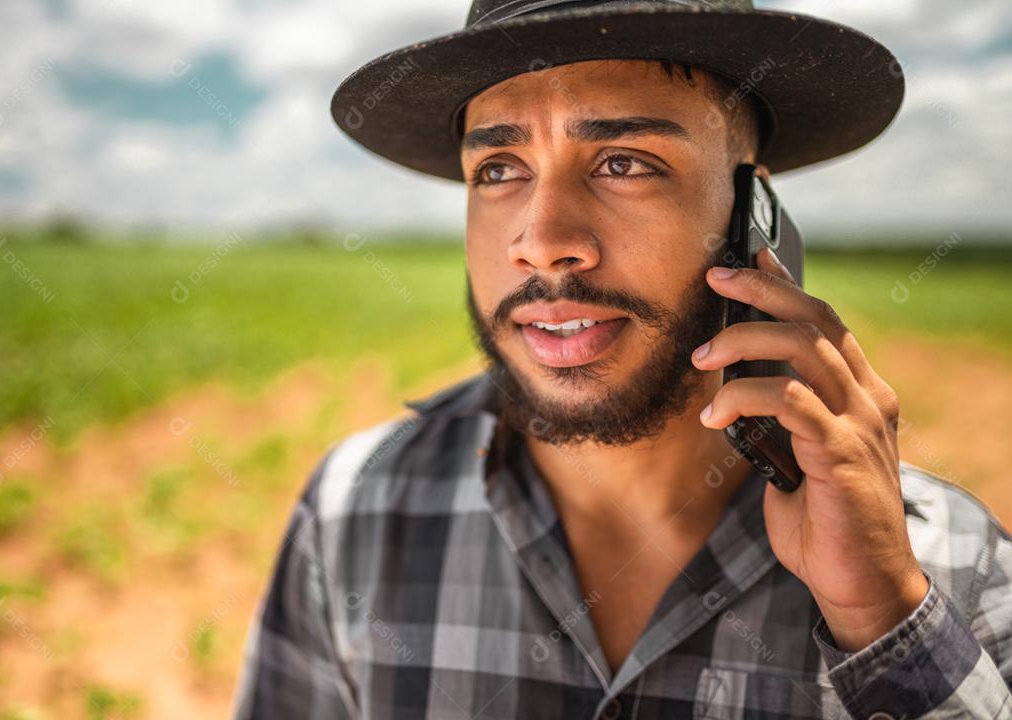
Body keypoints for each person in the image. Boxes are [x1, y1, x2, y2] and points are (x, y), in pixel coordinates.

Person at [231, 1, 1012, 717]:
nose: (541, 242)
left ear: (755, 221)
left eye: (624, 163)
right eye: (498, 170)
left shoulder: (951, 565)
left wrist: (886, 623)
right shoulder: (352, 515)